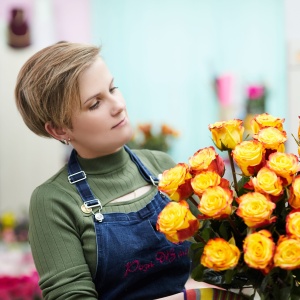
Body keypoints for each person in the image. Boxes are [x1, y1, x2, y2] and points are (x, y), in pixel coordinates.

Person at [15, 41, 246, 300]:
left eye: (113, 88)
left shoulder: (163, 167)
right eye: (95, 104)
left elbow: (216, 257)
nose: (118, 106)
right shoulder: (53, 201)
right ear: (59, 129)